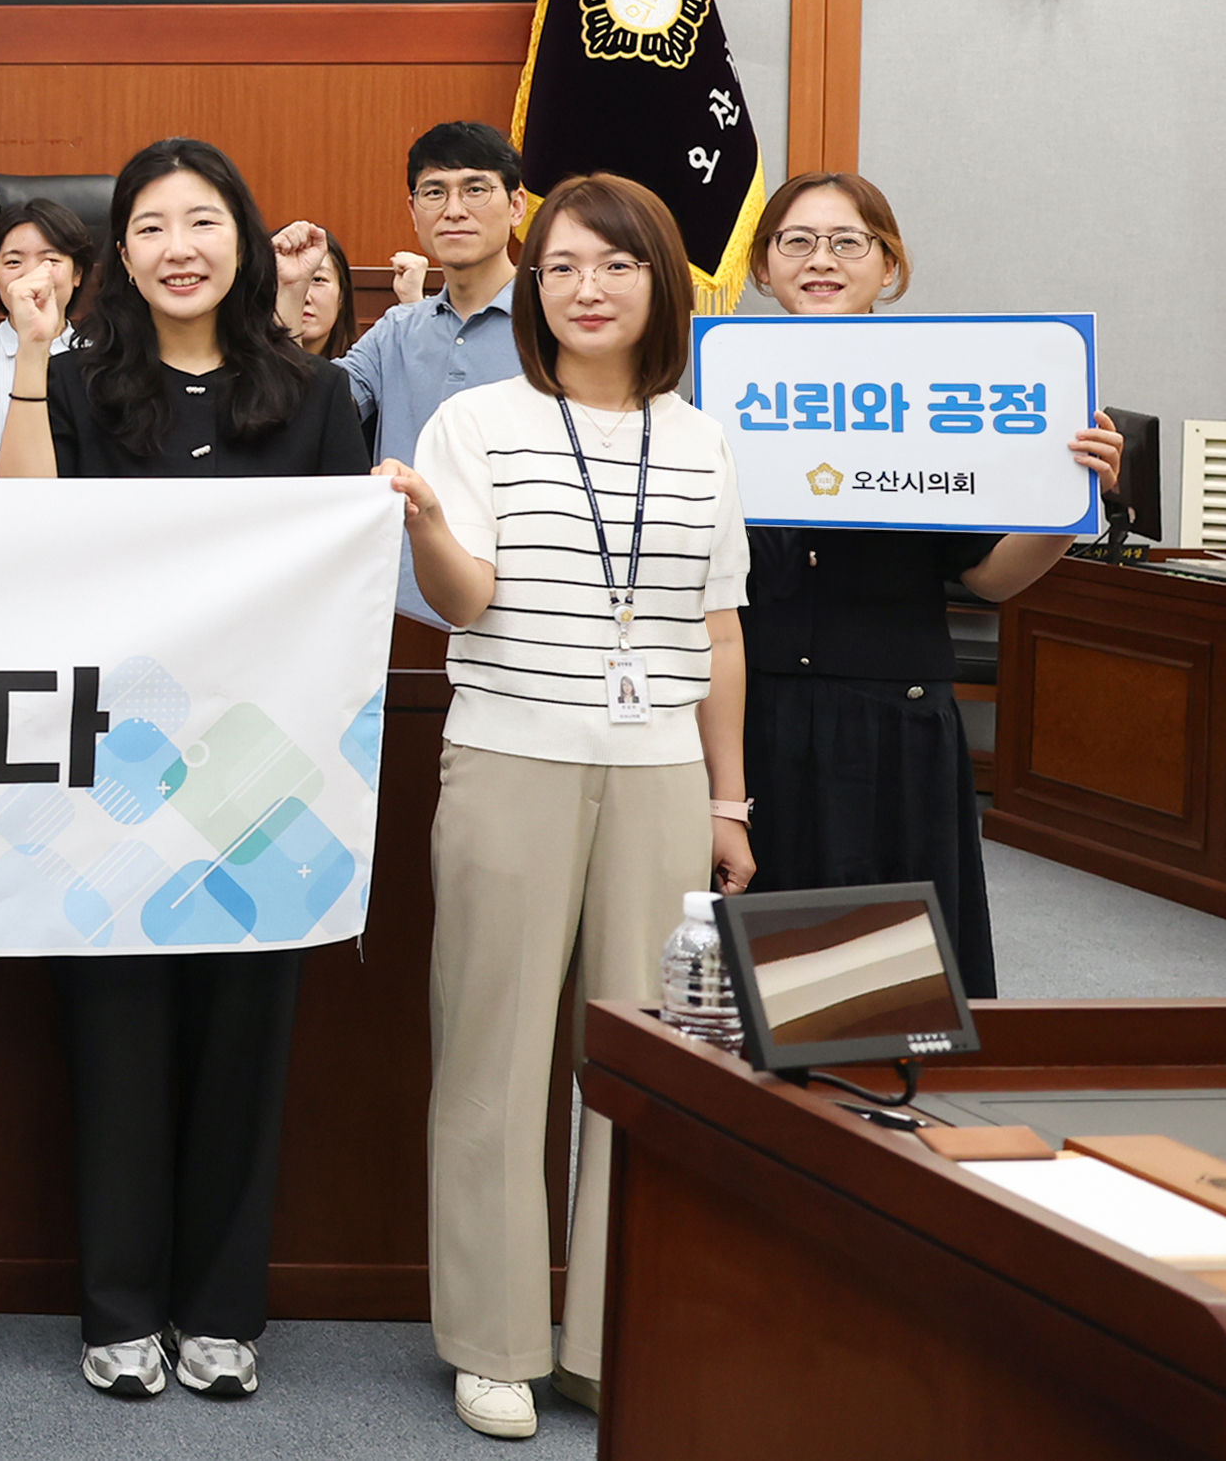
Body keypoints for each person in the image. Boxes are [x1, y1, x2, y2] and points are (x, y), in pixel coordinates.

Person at [0, 136, 369, 1406]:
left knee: (243, 1049)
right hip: (117, 767)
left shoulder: (315, 393)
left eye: (202, 221)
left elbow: (341, 577)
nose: (178, 248)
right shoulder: (80, 383)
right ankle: (118, 1309)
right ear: (123, 253)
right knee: (117, 1044)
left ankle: (219, 1312)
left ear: (242, 241)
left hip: (268, 772)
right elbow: (25, 535)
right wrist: (32, 353)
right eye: (151, 226)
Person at [382, 170, 756, 1440]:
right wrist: (428, 530)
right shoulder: (477, 423)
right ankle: (492, 1338)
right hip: (511, 758)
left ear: (662, 282)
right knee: (493, 1050)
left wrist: (730, 799)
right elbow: (466, 599)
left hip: (661, 773)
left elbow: (720, 629)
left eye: (616, 264)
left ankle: (609, 1332)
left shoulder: (704, 438)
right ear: (533, 285)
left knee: (648, 1060)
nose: (587, 289)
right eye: (561, 267)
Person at [737, 171, 1119, 1002]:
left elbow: (990, 577)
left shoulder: (940, 393)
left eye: (848, 242)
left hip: (895, 728)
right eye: (796, 241)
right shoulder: (721, 393)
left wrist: (1067, 507)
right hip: (758, 723)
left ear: (889, 266)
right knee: (763, 990)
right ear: (763, 266)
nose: (820, 260)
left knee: (890, 997)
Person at [275, 122, 527, 630]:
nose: (454, 210)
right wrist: (290, 290)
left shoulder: (555, 323)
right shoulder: (397, 329)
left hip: (525, 605)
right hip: (397, 606)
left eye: (475, 189)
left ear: (517, 206)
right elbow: (297, 408)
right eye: (434, 192)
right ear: (414, 212)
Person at [0, 195, 99, 469]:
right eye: (13, 262)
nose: (32, 275)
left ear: (77, 274)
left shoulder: (106, 360)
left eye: (50, 260)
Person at [290, 227, 362, 359]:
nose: (305, 298)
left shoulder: (362, 367)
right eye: (289, 281)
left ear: (342, 296)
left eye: (318, 280)